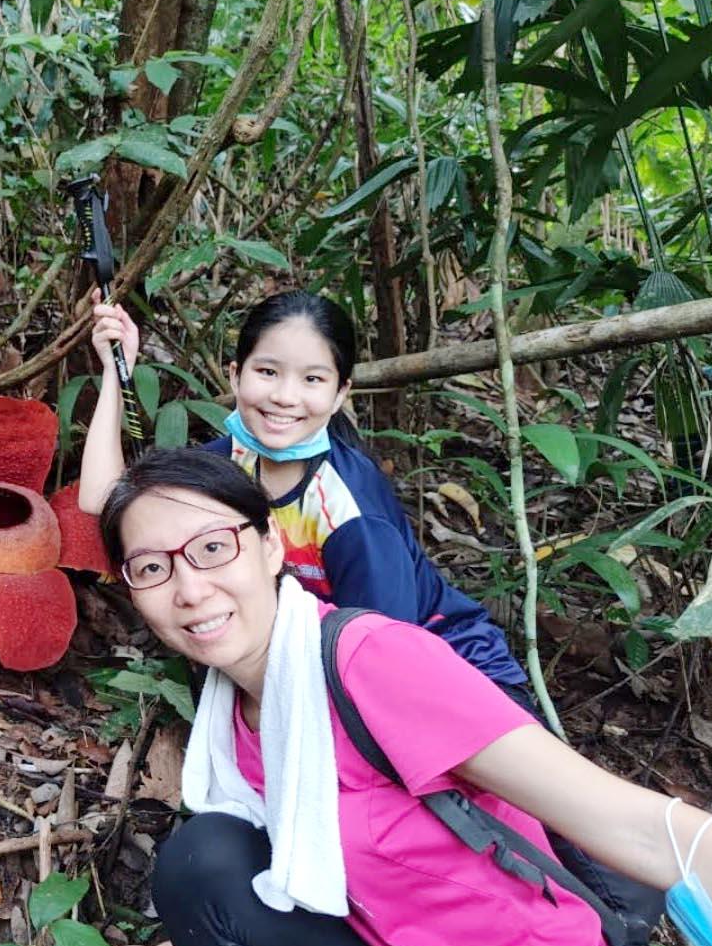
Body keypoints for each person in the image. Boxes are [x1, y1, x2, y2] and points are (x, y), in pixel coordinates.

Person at [55, 449, 712, 946]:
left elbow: (630, 824)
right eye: (152, 568)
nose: (190, 589)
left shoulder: (369, 663)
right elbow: (301, 876)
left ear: (269, 545)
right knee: (203, 864)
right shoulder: (240, 710)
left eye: (211, 548)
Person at [78, 288, 528, 695]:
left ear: (339, 394)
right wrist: (117, 373)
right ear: (236, 376)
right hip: (330, 668)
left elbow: (387, 658)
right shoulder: (223, 468)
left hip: (454, 679)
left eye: (312, 380)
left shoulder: (348, 507)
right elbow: (104, 500)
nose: (285, 397)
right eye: (268, 371)